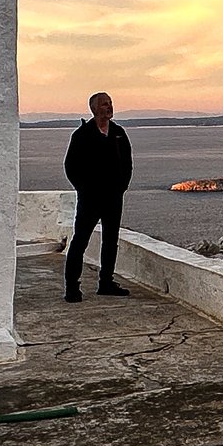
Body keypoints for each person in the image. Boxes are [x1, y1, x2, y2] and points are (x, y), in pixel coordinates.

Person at [64, 92, 133, 302]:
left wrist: (122, 187)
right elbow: (70, 167)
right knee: (80, 241)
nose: (109, 107)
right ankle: (72, 288)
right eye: (105, 104)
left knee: (111, 241)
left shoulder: (119, 133)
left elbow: (128, 164)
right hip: (90, 199)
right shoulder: (82, 135)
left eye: (110, 103)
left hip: (114, 197)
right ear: (94, 109)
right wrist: (85, 189)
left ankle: (106, 283)